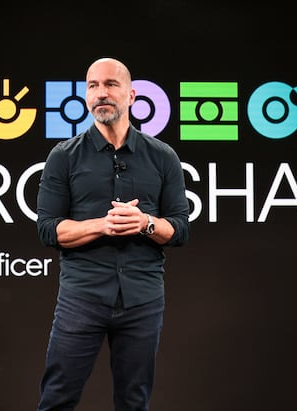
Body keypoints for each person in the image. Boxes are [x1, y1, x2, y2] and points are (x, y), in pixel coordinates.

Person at [35, 56, 190, 410]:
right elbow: (47, 229)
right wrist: (102, 225)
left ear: (132, 95)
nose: (101, 93)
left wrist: (145, 223)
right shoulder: (64, 156)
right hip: (81, 298)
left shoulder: (162, 157)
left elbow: (180, 228)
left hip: (143, 300)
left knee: (134, 403)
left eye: (110, 84)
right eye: (93, 86)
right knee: (57, 399)